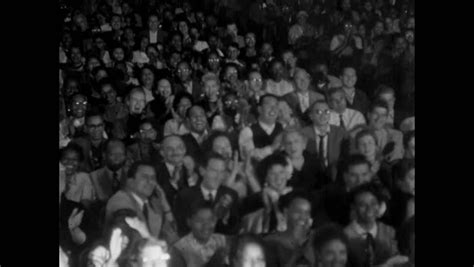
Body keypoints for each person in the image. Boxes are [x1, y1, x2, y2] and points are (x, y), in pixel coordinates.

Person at [105, 161, 178, 243]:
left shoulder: (153, 203)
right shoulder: (120, 200)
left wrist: (164, 203)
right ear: (130, 181)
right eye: (144, 177)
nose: (150, 182)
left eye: (153, 178)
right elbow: (133, 237)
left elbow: (172, 236)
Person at [173, 152, 240, 236]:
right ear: (202, 171)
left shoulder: (231, 195)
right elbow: (181, 229)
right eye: (214, 171)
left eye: (222, 172)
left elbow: (234, 229)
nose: (218, 176)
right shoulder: (185, 196)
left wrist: (223, 221)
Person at [344, 183, 408, 267]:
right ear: (353, 207)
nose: (369, 208)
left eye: (373, 203)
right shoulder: (345, 236)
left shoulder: (389, 231)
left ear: (379, 205)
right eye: (362, 205)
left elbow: (397, 260)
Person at [264, 191, 316, 267]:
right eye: (298, 211)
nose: (302, 217)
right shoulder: (271, 242)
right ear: (286, 212)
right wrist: (296, 254)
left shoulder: (316, 238)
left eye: (306, 213)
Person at [302, 100, 348, 182]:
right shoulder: (303, 134)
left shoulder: (340, 132)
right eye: (318, 112)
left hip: (335, 176)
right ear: (311, 116)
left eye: (326, 112)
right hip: (311, 177)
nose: (323, 115)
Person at [155, 135, 198, 208]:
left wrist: (190, 175)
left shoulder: (196, 168)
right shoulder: (154, 171)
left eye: (179, 148)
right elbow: (157, 199)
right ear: (162, 152)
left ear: (185, 150)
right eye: (170, 149)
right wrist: (173, 182)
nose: (175, 152)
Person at [239, 94, 283, 161]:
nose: (273, 109)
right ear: (260, 109)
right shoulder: (248, 132)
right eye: (268, 105)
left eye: (276, 105)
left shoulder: (283, 128)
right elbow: (247, 157)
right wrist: (272, 148)